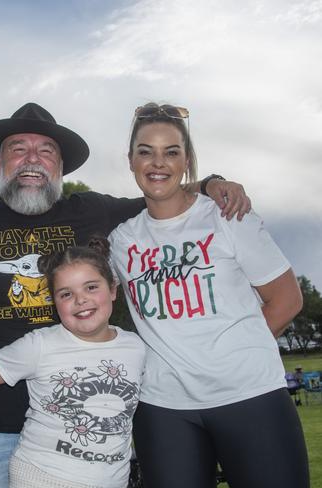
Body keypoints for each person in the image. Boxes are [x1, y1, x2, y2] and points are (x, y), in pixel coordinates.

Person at [0, 102, 251, 487]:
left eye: (46, 151)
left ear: (60, 168)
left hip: (82, 438)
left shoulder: (92, 210)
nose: (32, 159)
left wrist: (209, 183)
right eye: (18, 149)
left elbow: (162, 192)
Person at [108, 103, 309, 488]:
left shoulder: (227, 216)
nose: (158, 162)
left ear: (187, 161)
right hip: (164, 407)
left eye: (171, 151)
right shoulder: (122, 239)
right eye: (145, 151)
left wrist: (229, 357)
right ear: (130, 160)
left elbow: (287, 300)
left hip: (250, 395)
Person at [0, 237, 146, 488]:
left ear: (113, 289)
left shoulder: (135, 346)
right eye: (66, 294)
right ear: (54, 302)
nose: (80, 300)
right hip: (41, 478)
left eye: (91, 287)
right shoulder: (39, 345)